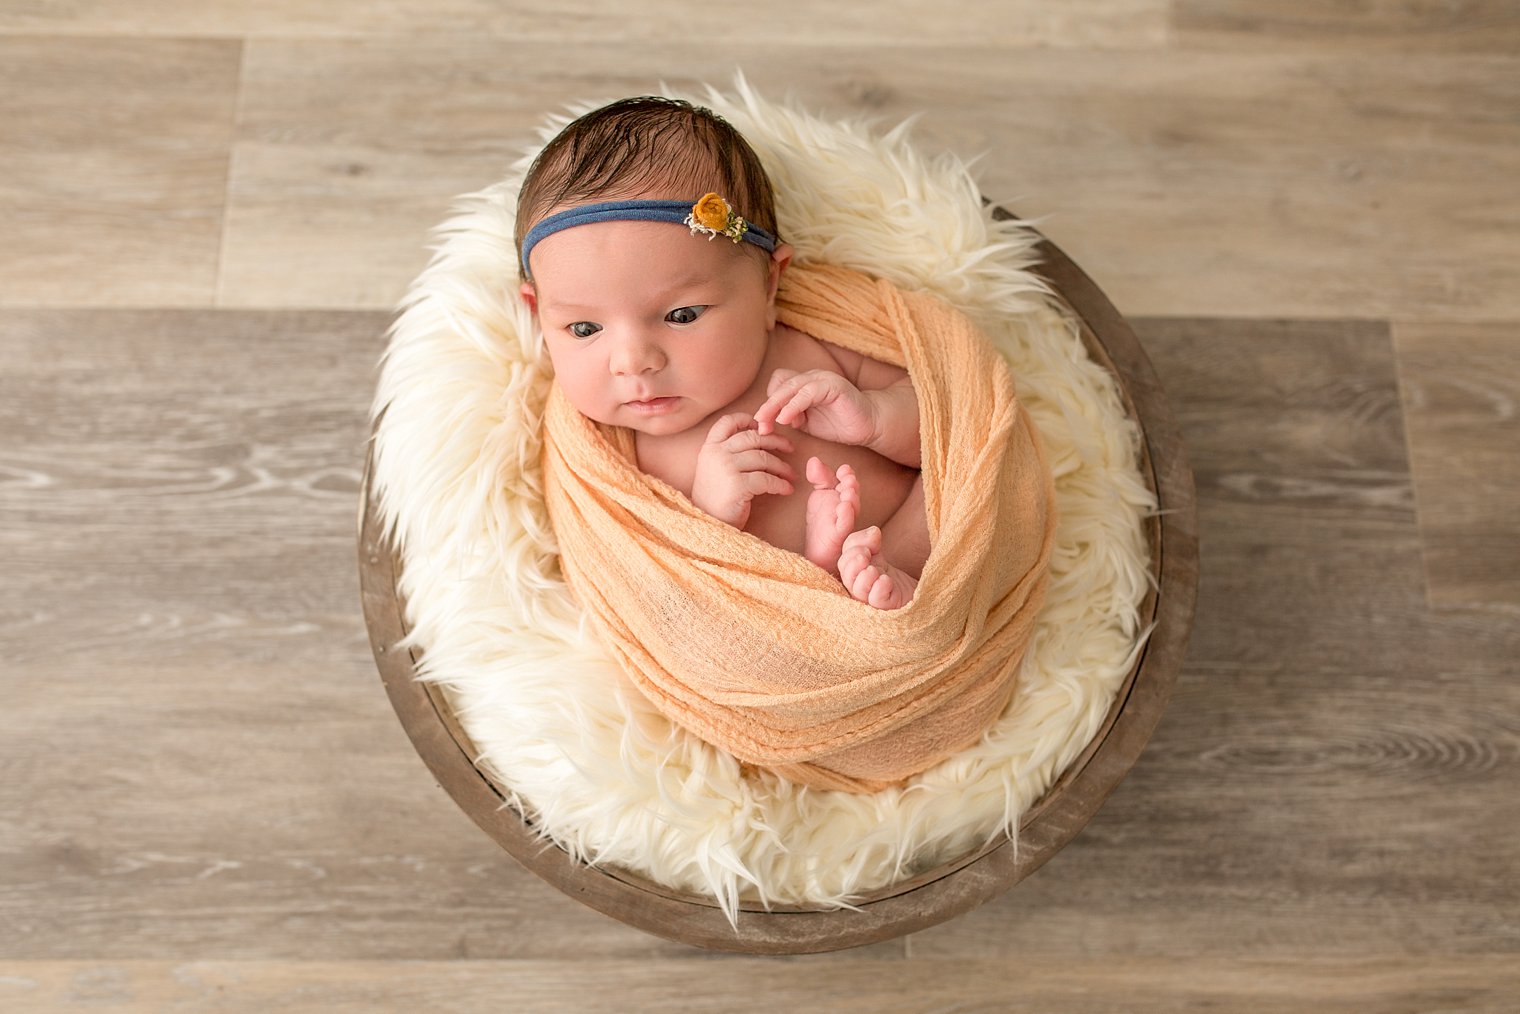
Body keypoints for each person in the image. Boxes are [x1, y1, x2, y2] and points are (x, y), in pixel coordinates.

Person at [517, 97, 929, 609]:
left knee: (942, 504)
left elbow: (949, 426)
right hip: (773, 619)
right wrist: (709, 516)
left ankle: (908, 590)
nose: (633, 361)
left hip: (913, 554)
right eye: (584, 327)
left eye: (682, 316)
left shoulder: (818, 350)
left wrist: (875, 417)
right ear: (537, 313)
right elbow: (655, 593)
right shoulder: (614, 461)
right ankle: (841, 589)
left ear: (769, 285)